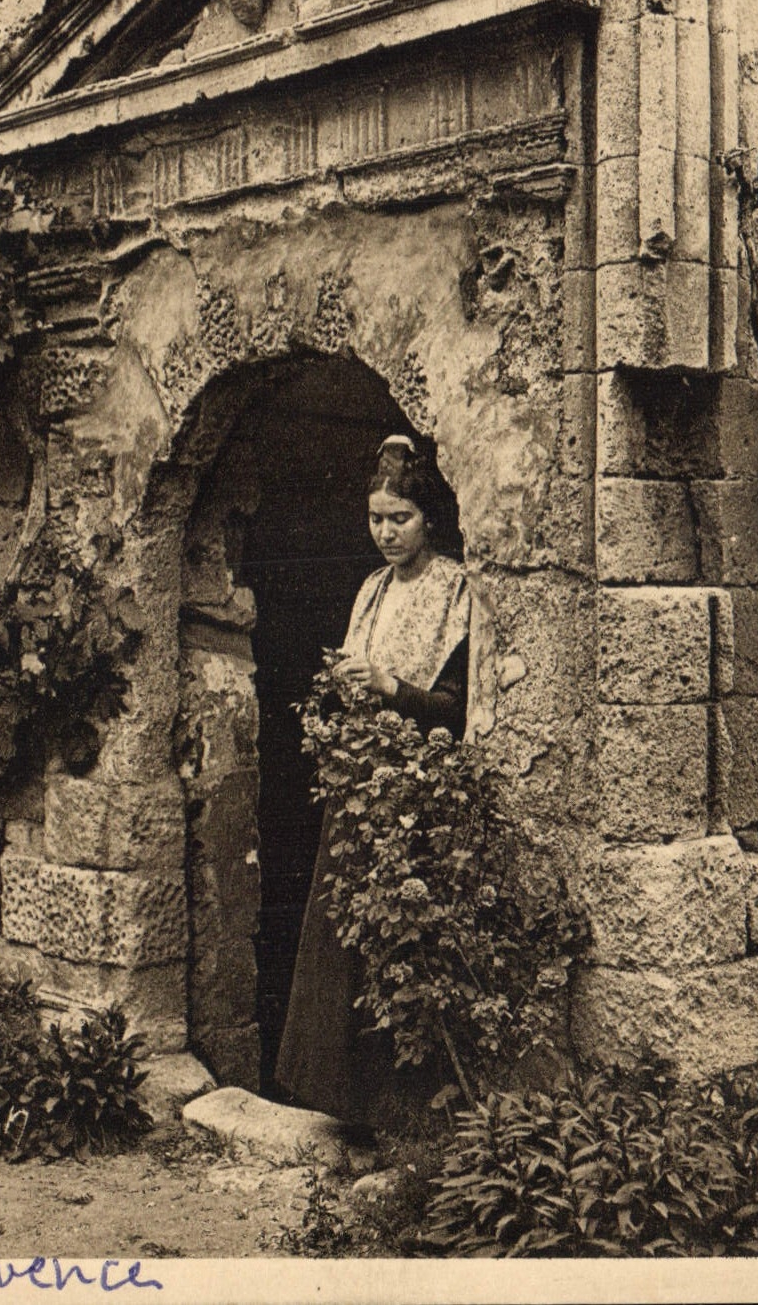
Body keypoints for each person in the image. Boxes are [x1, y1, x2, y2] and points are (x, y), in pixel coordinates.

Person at [274, 434, 471, 1126]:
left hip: (417, 792)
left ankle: (400, 1117)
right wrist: (345, 684)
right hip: (361, 783)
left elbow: (456, 708)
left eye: (400, 518)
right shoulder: (372, 589)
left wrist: (390, 686)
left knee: (399, 946)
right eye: (376, 519)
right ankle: (341, 1106)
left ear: (429, 519)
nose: (386, 533)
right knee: (342, 943)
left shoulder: (455, 590)